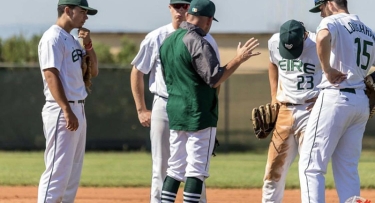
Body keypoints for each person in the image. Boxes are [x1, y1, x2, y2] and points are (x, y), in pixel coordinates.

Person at [159, 0, 260, 202]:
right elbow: (214, 78)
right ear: (208, 21)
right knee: (196, 170)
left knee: (174, 167)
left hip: (176, 111)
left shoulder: (167, 41)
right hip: (199, 113)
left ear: (188, 15)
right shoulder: (197, 41)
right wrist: (238, 59)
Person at [130, 0, 220, 202]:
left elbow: (214, 81)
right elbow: (137, 71)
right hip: (164, 103)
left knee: (194, 165)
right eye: (176, 5)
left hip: (194, 106)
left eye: (185, 6)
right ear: (169, 8)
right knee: (163, 164)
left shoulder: (207, 40)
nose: (181, 10)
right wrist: (141, 109)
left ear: (191, 10)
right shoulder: (157, 37)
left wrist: (209, 109)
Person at [299, 0, 375, 202]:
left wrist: (327, 70)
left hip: (336, 96)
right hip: (360, 103)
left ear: (330, 3)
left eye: (321, 7)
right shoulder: (368, 31)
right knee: (347, 168)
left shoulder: (333, 21)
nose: (321, 14)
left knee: (311, 165)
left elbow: (322, 36)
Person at [37, 0, 98, 202]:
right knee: (57, 171)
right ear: (67, 10)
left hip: (78, 107)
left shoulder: (72, 40)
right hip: (61, 110)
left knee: (72, 173)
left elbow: (93, 71)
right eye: (83, 11)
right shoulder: (52, 38)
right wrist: (66, 109)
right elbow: (50, 74)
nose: (86, 16)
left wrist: (88, 46)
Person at [262, 19, 322, 203]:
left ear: (305, 36)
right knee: (273, 170)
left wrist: (323, 97)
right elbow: (272, 63)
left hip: (311, 112)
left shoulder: (319, 43)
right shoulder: (274, 42)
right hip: (284, 111)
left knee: (308, 169)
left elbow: (334, 70)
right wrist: (274, 96)